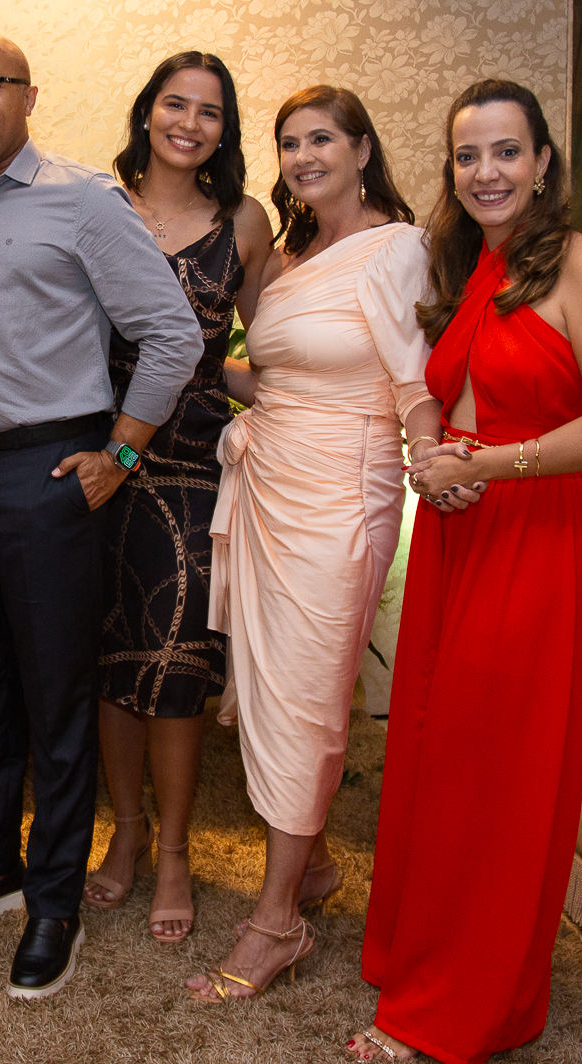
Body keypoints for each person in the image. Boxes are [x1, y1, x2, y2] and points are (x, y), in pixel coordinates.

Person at [350, 79, 582, 1062]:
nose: (487, 172)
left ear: (544, 162)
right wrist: (436, 452)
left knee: (500, 770)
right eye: (469, 155)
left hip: (539, 533)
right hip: (457, 526)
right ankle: (424, 953)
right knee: (435, 749)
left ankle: (468, 1006)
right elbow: (442, 391)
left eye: (507, 152)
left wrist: (489, 465)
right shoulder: (471, 265)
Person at [0, 31, 200, 999]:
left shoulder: (83, 200)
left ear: (28, 97)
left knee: (55, 697)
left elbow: (172, 333)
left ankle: (54, 900)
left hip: (51, 475)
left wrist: (123, 453)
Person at [184, 85, 463, 1004]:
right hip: (269, 481)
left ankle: (277, 925)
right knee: (269, 687)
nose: (303, 157)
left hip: (343, 497)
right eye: (289, 143)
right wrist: (187, 359)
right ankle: (309, 868)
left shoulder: (398, 249)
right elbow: (274, 379)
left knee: (308, 698)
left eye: (321, 140)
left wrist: (432, 457)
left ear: (362, 149)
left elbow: (414, 381)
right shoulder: (292, 255)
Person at [82, 52, 272, 944]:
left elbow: (270, 348)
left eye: (209, 111)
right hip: (96, 456)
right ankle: (125, 830)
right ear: (146, 111)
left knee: (176, 661)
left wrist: (315, 405)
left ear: (224, 130)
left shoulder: (246, 222)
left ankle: (174, 852)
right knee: (109, 660)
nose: (189, 123)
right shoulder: (95, 204)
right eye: (174, 104)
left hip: (191, 461)